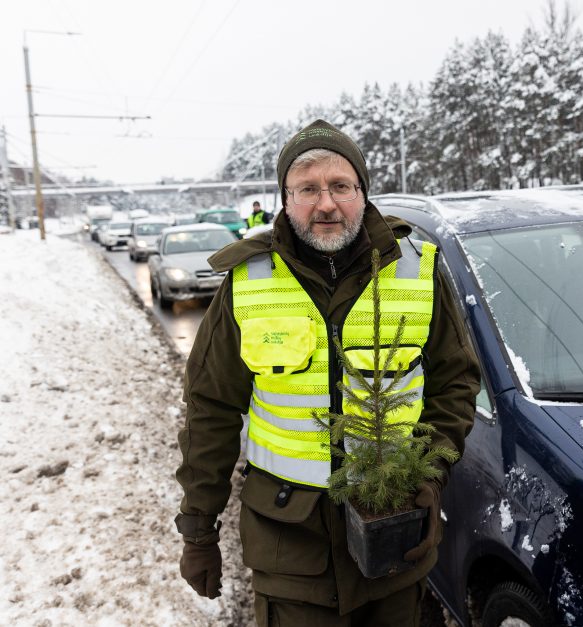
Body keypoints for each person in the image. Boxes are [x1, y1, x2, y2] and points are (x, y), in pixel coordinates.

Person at [174, 119, 481, 626]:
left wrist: (428, 473)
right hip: (289, 546)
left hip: (395, 537)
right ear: (285, 199)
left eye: (340, 186)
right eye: (307, 189)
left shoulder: (417, 270)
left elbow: (456, 383)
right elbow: (211, 409)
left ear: (362, 192)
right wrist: (198, 529)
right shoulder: (248, 283)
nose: (326, 204)